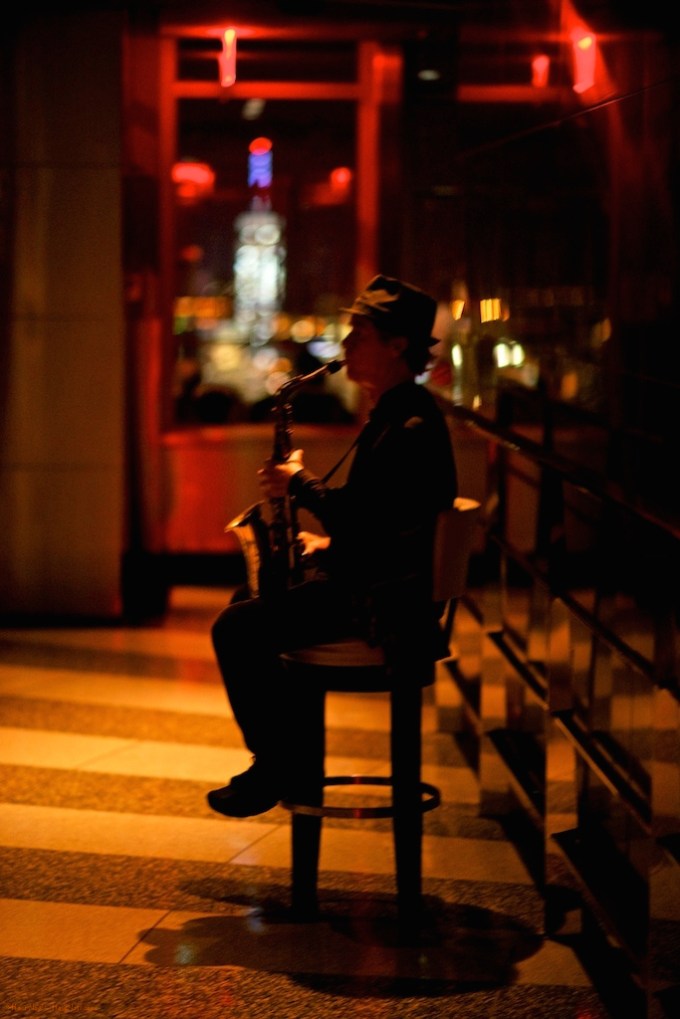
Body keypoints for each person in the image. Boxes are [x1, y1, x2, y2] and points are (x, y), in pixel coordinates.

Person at [207, 274, 458, 818]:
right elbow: (384, 518)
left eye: (359, 335)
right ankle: (287, 756)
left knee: (236, 628)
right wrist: (325, 542)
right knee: (244, 600)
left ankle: (278, 762)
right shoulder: (396, 413)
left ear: (397, 345)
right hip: (381, 586)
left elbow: (369, 517)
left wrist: (299, 482)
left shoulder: (409, 423)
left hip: (385, 610)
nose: (345, 347)